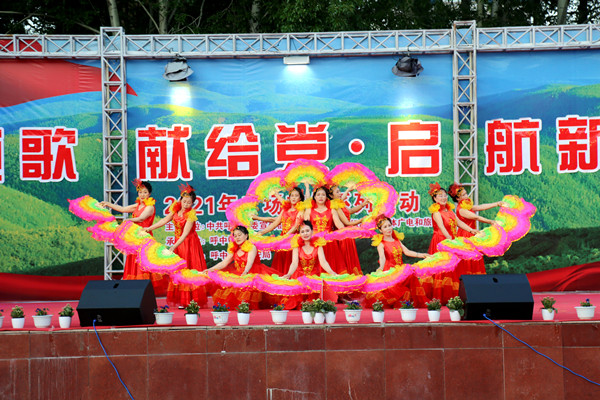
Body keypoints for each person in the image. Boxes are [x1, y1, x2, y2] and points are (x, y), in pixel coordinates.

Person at [100, 179, 168, 295]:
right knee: (134, 264)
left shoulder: (150, 207)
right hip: (134, 239)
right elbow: (122, 209)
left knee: (143, 265)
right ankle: (135, 291)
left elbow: (141, 219)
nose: (142, 195)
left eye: (145, 192)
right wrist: (108, 204)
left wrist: (128, 220)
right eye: (140, 192)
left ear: (149, 194)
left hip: (144, 239)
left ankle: (145, 291)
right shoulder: (137, 205)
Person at [145, 184, 207, 307]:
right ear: (180, 200)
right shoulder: (175, 210)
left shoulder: (191, 215)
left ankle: (192, 300)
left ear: (192, 203)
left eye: (189, 202)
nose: (186, 204)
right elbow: (163, 220)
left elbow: (185, 234)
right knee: (178, 270)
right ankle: (183, 300)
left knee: (189, 269)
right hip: (178, 243)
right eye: (184, 201)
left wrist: (174, 246)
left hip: (189, 244)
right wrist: (149, 228)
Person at [424, 182, 479, 304]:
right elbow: (441, 227)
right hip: (441, 241)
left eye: (445, 195)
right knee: (442, 268)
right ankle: (439, 297)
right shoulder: (436, 212)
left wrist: (471, 230)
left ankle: (452, 296)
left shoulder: (449, 211)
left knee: (453, 268)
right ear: (435, 198)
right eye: (440, 196)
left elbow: (458, 222)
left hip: (451, 241)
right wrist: (449, 239)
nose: (443, 198)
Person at [207, 225, 278, 310]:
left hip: (251, 272)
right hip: (238, 272)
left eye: (239, 235)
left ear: (246, 235)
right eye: (235, 236)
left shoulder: (252, 247)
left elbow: (249, 262)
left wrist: (246, 272)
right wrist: (210, 269)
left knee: (248, 285)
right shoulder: (235, 249)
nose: (237, 238)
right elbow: (224, 263)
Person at [365, 216, 430, 308]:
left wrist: (422, 255)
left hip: (401, 271)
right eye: (385, 227)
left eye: (389, 225)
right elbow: (382, 257)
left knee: (412, 276)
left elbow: (407, 252)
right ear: (380, 230)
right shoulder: (381, 243)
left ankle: (416, 303)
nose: (388, 228)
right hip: (390, 273)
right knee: (398, 292)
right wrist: (381, 268)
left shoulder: (397, 240)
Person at [448, 182, 507, 275]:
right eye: (463, 195)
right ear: (458, 198)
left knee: (475, 257)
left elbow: (480, 207)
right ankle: (467, 279)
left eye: (466, 193)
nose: (466, 196)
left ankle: (475, 279)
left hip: (473, 234)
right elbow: (476, 217)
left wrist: (497, 203)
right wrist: (490, 221)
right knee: (468, 259)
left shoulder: (466, 207)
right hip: (466, 235)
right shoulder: (461, 209)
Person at [256, 187, 307, 274]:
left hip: (293, 239)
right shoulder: (285, 210)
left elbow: (296, 226)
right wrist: (262, 232)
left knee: (292, 262)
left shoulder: (301, 210)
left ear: (300, 198)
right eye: (292, 196)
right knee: (280, 264)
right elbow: (275, 223)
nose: (294, 198)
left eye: (296, 196)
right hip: (283, 238)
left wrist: (285, 237)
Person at [303, 186, 347, 274]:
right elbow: (305, 227)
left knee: (331, 265)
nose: (321, 197)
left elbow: (338, 224)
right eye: (318, 195)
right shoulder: (309, 210)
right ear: (314, 197)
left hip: (329, 243)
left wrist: (347, 232)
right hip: (314, 242)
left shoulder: (332, 210)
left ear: (326, 197)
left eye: (323, 195)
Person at [330, 185, 368, 275]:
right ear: (331, 195)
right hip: (343, 236)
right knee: (346, 261)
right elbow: (347, 223)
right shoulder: (335, 206)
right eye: (337, 192)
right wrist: (361, 220)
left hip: (347, 235)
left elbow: (349, 211)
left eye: (340, 191)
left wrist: (363, 204)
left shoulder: (339, 203)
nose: (340, 193)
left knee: (350, 259)